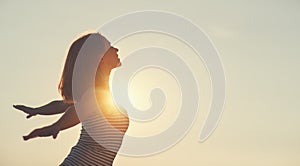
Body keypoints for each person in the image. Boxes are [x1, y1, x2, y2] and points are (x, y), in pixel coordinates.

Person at [13, 32, 129, 165]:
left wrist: (37, 110)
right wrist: (56, 126)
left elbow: (64, 105)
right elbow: (78, 109)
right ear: (99, 58)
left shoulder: (100, 96)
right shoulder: (96, 95)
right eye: (109, 47)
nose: (116, 49)